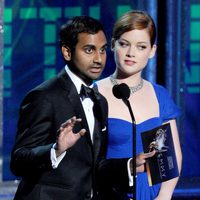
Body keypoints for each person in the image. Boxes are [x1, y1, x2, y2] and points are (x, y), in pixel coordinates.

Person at [10, 16, 109, 200]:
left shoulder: (100, 101)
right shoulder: (44, 96)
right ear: (67, 52)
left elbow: (94, 163)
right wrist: (55, 150)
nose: (98, 59)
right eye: (89, 50)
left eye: (102, 50)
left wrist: (129, 166)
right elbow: (18, 161)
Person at [97, 10, 182, 200]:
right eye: (124, 44)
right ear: (112, 45)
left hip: (153, 195)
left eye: (141, 46)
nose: (131, 53)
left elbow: (170, 158)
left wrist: (164, 196)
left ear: (152, 51)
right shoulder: (95, 94)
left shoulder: (159, 95)